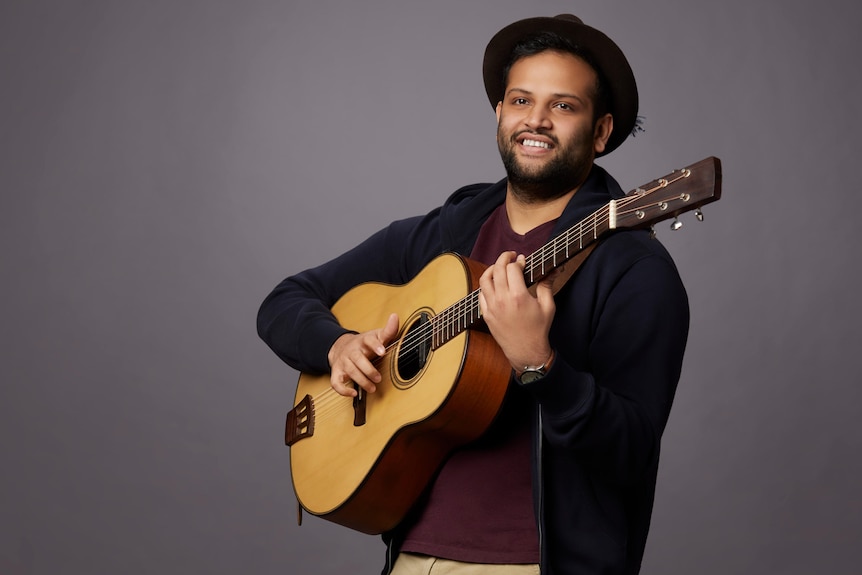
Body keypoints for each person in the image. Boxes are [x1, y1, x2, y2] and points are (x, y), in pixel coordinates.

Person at [258, 14, 689, 575]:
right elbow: (286, 301)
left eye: (563, 105)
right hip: (411, 557)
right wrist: (337, 346)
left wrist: (538, 363)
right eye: (520, 100)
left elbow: (631, 453)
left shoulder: (633, 268)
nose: (535, 120)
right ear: (498, 114)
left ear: (601, 132)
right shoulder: (444, 234)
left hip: (531, 566)